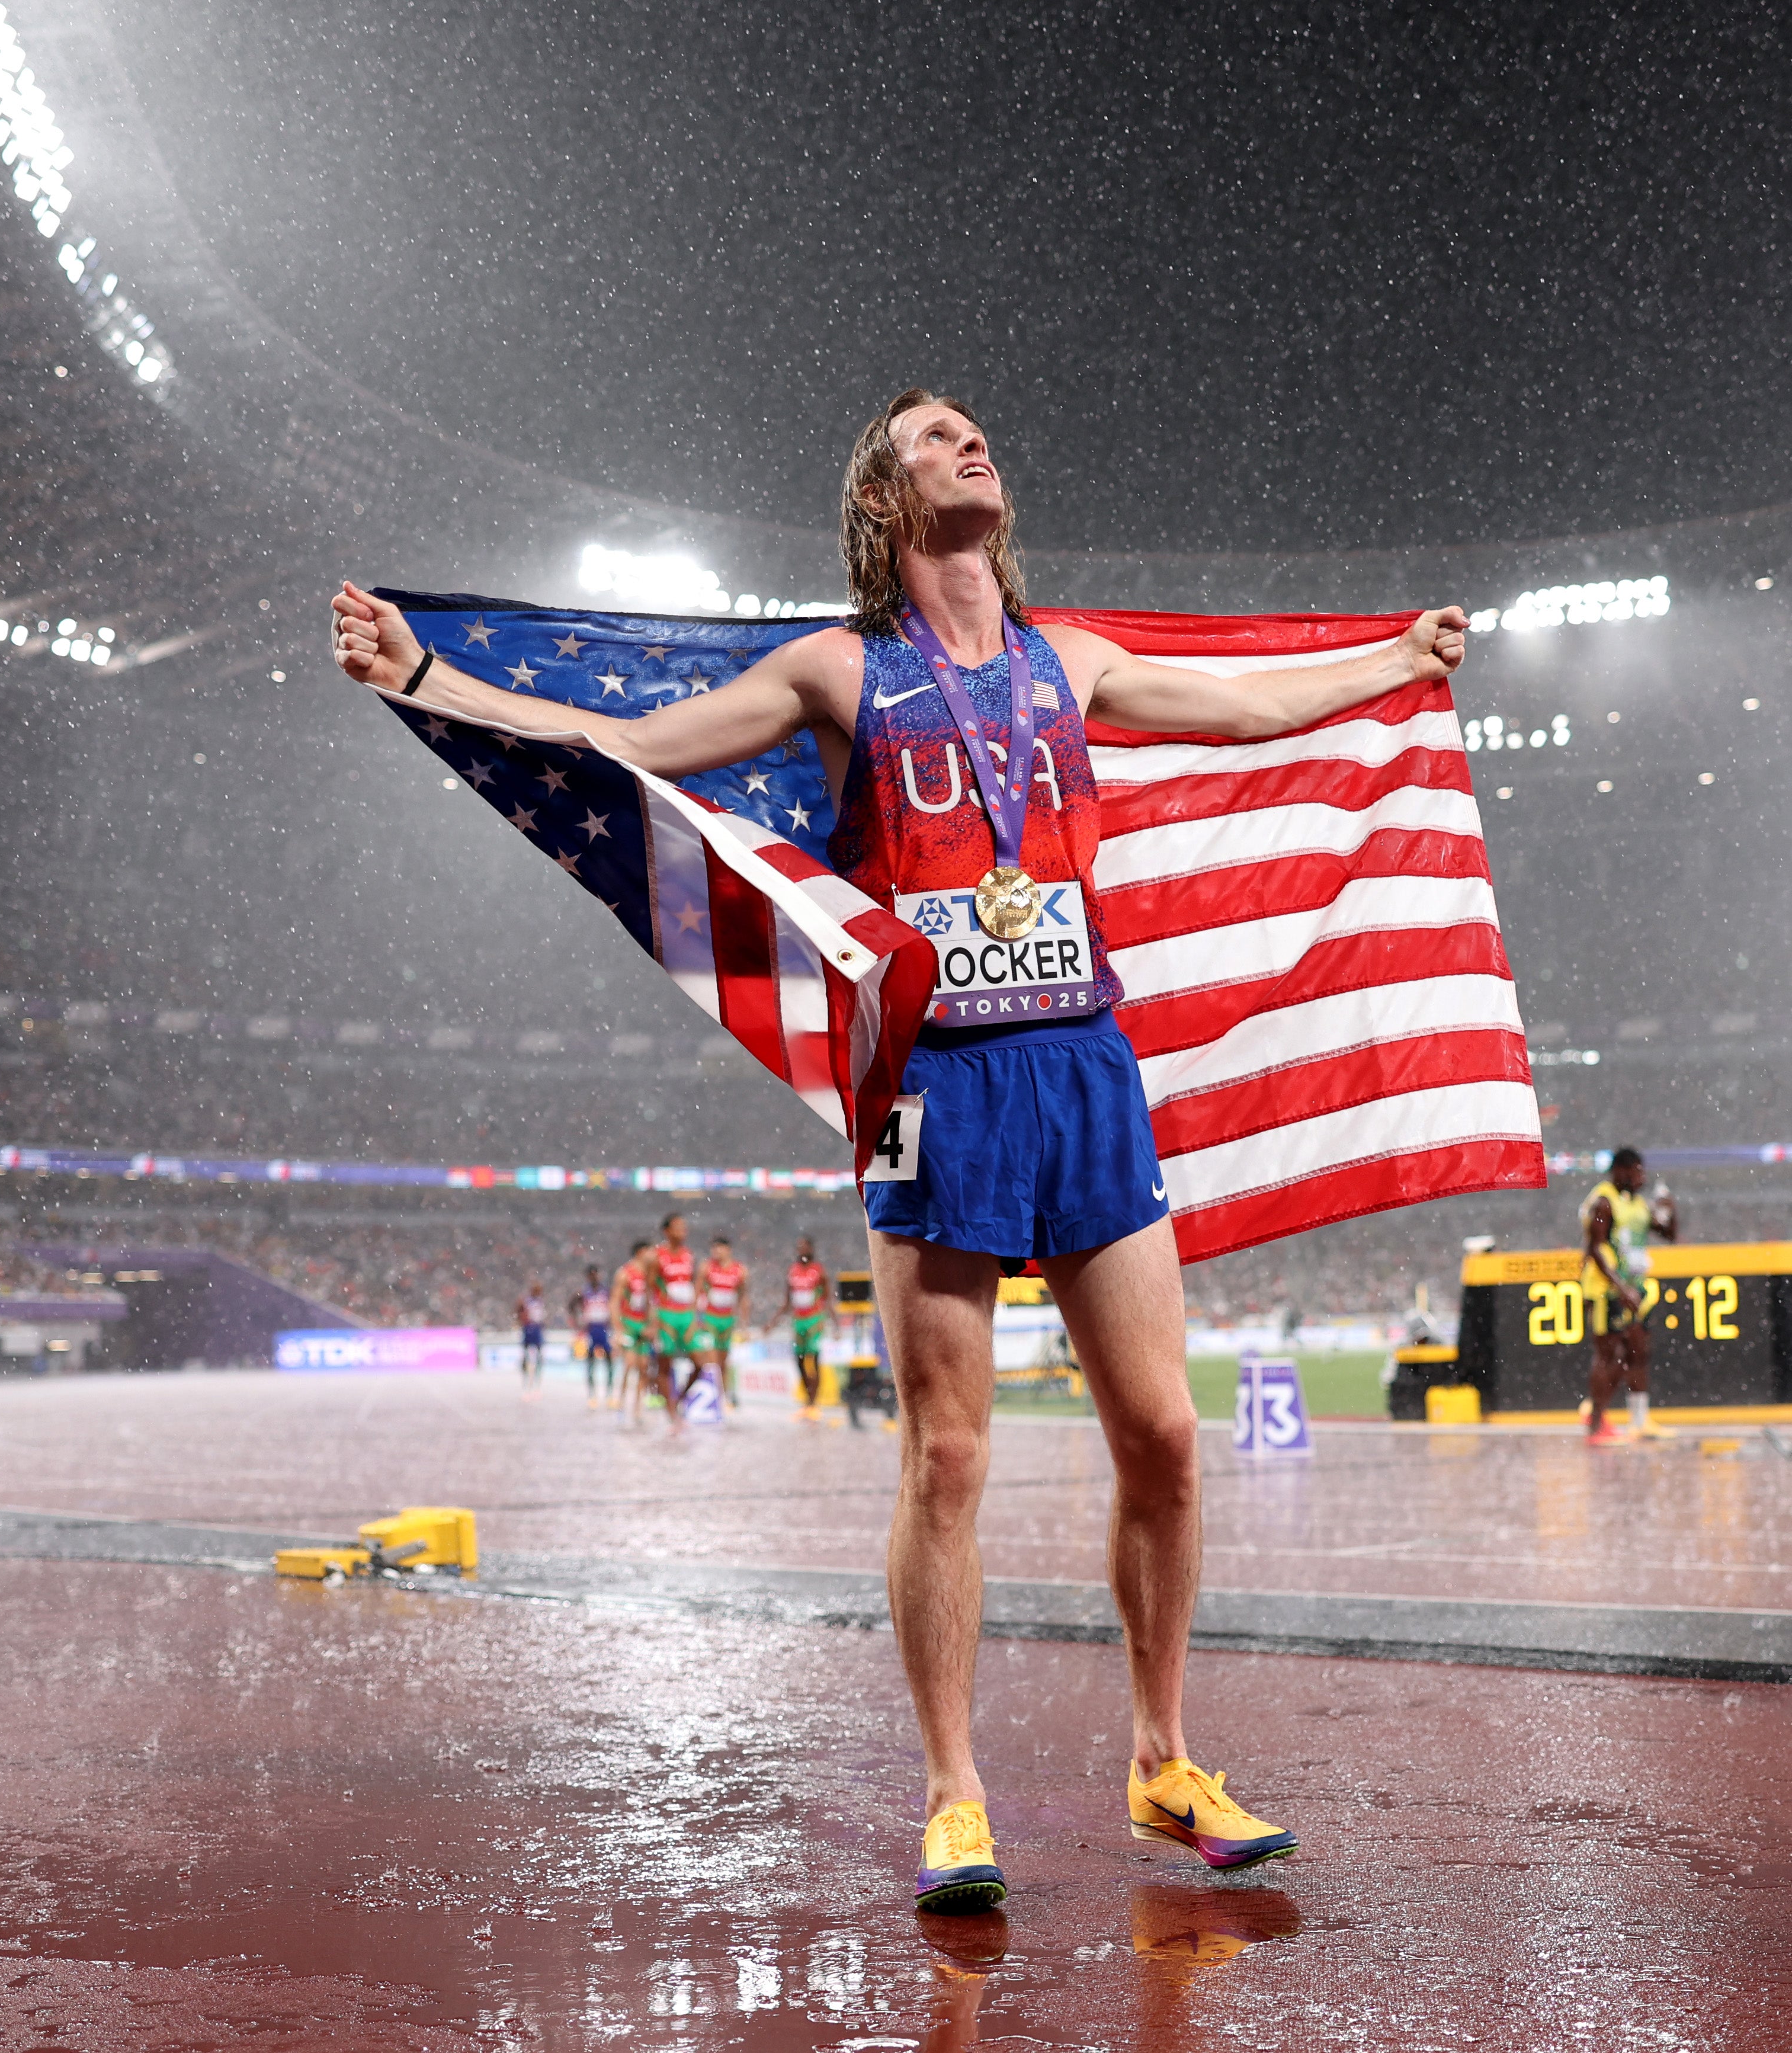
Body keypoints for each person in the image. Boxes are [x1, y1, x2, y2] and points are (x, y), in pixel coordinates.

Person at [332, 387, 1467, 1914]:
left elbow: (1250, 708)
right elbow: (627, 747)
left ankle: (1162, 1757)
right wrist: (434, 679)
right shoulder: (837, 670)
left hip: (1083, 1067)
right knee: (946, 1456)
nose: (973, 443)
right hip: (938, 1083)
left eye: (980, 429)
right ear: (880, 502)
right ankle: (952, 1793)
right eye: (934, 437)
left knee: (1169, 1441)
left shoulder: (1072, 661)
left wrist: (1393, 660)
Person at [1582, 1146, 1678, 1444]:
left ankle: (1639, 1421)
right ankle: (1596, 1425)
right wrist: (1620, 1288)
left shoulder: (1636, 1204)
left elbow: (1668, 1235)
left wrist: (1668, 1209)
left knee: (1638, 1353)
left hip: (1635, 1289)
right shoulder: (1604, 1202)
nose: (1641, 1177)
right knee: (1608, 1356)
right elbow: (1594, 1249)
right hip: (1606, 1291)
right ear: (1620, 1171)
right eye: (1636, 1171)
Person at [647, 1212, 700, 1435]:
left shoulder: (689, 1256)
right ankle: (672, 1416)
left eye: (685, 1227)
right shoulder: (656, 1256)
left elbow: (692, 1285)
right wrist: (654, 1321)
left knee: (701, 1363)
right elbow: (651, 1290)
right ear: (667, 1231)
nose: (683, 1231)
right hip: (666, 1315)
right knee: (664, 1366)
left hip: (686, 1314)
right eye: (678, 1227)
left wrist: (695, 1316)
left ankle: (679, 1399)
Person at [693, 1233, 747, 1414]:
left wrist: (744, 1325)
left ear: (728, 1250)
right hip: (710, 1319)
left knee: (724, 1361)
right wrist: (696, 1318)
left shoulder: (739, 1270)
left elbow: (744, 1297)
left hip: (728, 1320)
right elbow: (697, 1291)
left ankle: (724, 1397)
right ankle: (713, 1397)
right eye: (714, 1248)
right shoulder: (707, 1268)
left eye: (719, 1248)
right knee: (712, 1360)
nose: (716, 1252)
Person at [611, 1238, 658, 1424]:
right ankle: (621, 1403)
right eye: (650, 1251)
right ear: (641, 1253)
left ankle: (638, 1407)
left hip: (643, 1325)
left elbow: (653, 1303)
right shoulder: (625, 1274)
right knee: (630, 1365)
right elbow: (614, 1302)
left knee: (644, 1368)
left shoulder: (651, 1275)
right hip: (629, 1324)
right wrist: (618, 1329)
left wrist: (652, 1326)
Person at [785, 1236, 831, 1415]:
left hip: (814, 1320)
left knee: (814, 1359)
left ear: (811, 1249)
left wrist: (832, 1322)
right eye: (799, 1247)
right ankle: (808, 1397)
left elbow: (827, 1298)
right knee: (800, 1360)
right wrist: (772, 1323)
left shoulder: (819, 1271)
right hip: (798, 1321)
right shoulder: (793, 1271)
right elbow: (787, 1300)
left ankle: (813, 1402)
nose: (801, 1250)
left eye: (804, 1247)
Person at [576, 1264, 614, 1405]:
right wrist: (577, 1323)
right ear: (588, 1277)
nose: (594, 1277)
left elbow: (615, 1305)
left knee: (609, 1361)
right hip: (591, 1329)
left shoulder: (606, 1291)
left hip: (604, 1328)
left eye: (596, 1274)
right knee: (591, 1362)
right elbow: (572, 1305)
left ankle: (609, 1395)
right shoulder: (584, 1293)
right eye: (591, 1275)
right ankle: (592, 1396)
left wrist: (614, 1322)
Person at [516, 1281, 547, 1390]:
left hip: (537, 1329)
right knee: (526, 1355)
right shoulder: (526, 1301)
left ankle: (537, 1380)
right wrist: (522, 1320)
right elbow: (519, 1312)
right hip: (529, 1328)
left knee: (538, 1356)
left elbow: (542, 1316)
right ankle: (526, 1378)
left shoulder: (540, 1301)